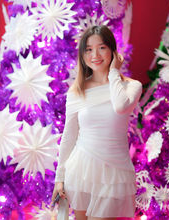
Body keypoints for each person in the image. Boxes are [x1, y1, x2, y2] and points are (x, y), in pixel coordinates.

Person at [51, 25, 142, 220]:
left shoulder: (132, 86)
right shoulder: (77, 91)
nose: (95, 55)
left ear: (112, 50)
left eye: (102, 47)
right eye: (89, 49)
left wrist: (114, 73)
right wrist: (59, 179)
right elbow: (69, 136)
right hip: (81, 170)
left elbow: (120, 106)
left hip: (114, 172)